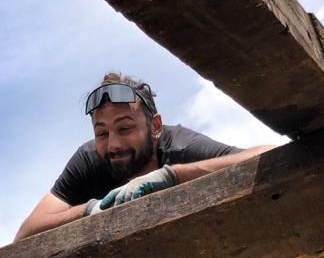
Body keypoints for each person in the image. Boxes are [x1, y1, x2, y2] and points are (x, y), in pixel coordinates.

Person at [14, 72, 275, 240]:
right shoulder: (88, 159)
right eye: (102, 133)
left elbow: (269, 153)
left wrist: (173, 176)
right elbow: (26, 233)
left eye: (125, 128)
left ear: (156, 126)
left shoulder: (181, 147)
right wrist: (91, 209)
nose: (113, 144)